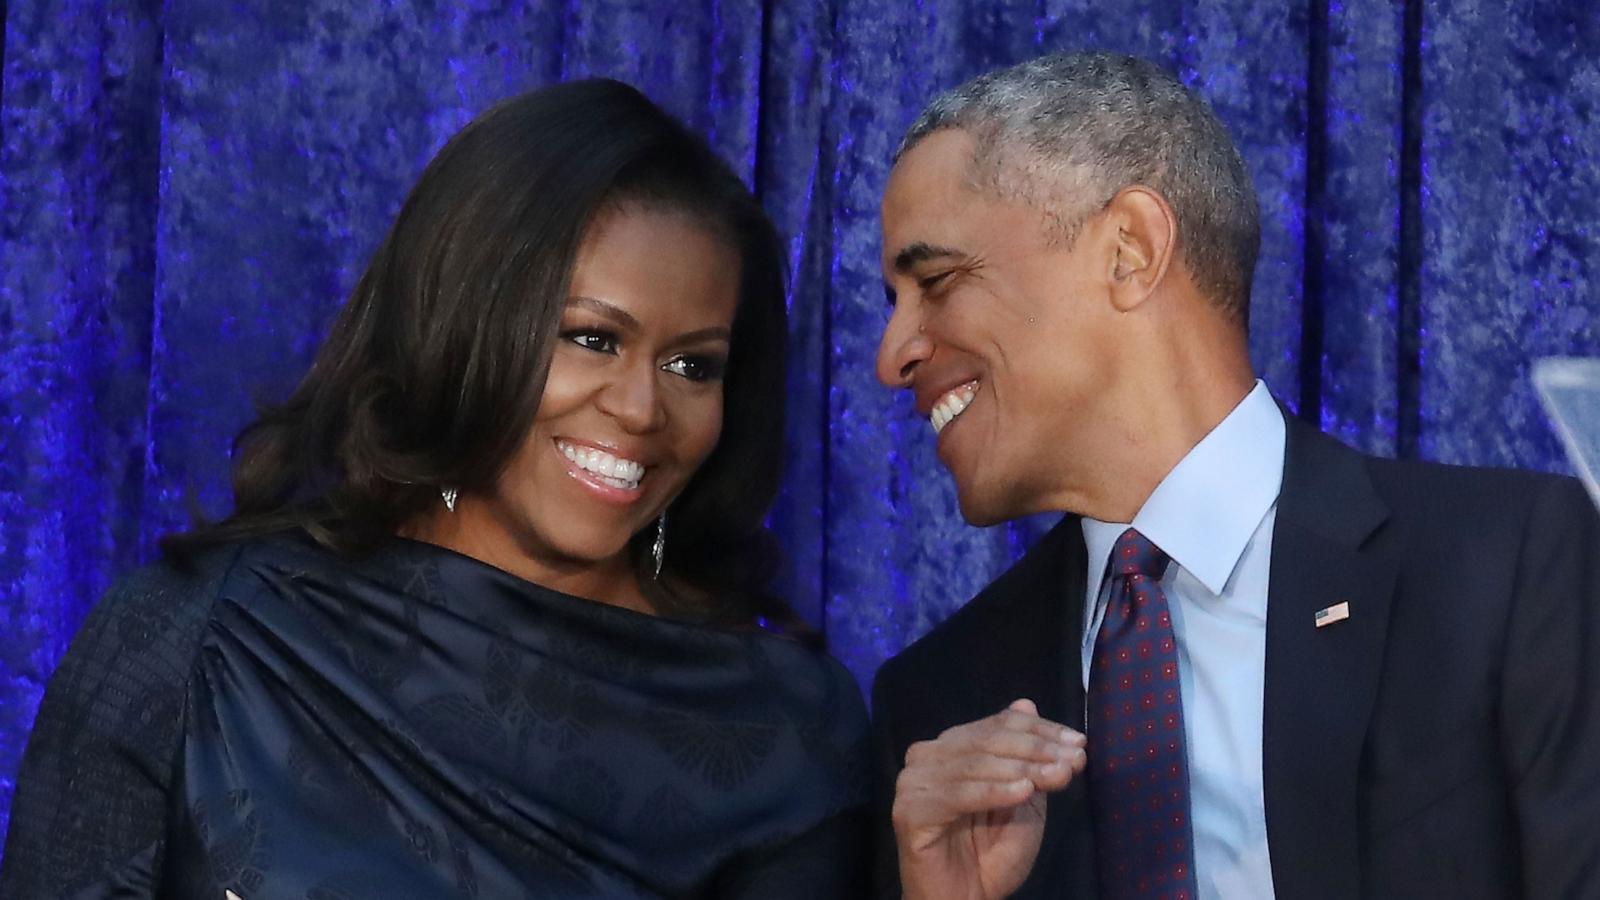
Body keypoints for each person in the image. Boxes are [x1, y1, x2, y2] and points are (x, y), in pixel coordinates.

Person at [1, 79, 870, 898]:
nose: (643, 408)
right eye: (592, 339)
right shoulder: (199, 635)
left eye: (692, 364)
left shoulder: (782, 733)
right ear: (459, 324)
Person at [869, 50, 1600, 900]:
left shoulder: (1509, 568)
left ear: (1130, 250)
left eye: (938, 280)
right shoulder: (939, 703)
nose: (894, 356)